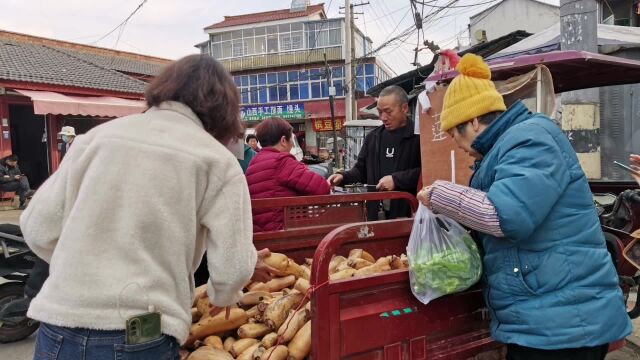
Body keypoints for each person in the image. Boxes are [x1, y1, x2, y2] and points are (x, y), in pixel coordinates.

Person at [20, 54, 279, 360]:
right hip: (139, 330)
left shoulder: (96, 138)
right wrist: (224, 294)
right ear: (225, 110)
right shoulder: (216, 160)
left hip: (59, 324)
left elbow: (37, 228)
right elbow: (232, 266)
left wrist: (84, 264)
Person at [417, 54, 631, 360]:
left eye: (454, 132)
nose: (454, 142)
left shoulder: (531, 139)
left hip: (564, 325)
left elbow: (505, 216)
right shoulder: (507, 147)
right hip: (546, 319)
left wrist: (440, 195)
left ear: (474, 120)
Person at [328, 85, 421, 220]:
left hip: (409, 215)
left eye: (388, 112)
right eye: (380, 112)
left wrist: (397, 180)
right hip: (376, 214)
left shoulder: (418, 137)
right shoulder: (373, 138)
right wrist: (343, 177)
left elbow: (427, 173)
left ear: (404, 108)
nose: (383, 117)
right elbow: (361, 170)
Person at [246, 117, 330, 232]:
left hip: (261, 234)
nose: (292, 144)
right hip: (283, 231)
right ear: (283, 140)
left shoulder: (254, 162)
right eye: (291, 139)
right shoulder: (282, 161)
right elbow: (322, 188)